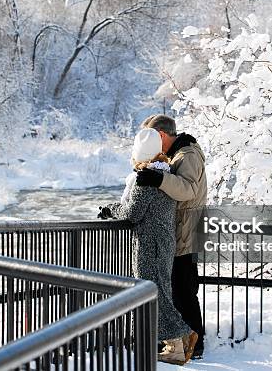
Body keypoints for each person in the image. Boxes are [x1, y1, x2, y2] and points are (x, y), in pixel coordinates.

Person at [99, 128, 198, 365]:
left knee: (153, 292)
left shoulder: (146, 178)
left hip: (148, 244)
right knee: (159, 290)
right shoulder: (165, 173)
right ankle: (177, 341)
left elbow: (132, 213)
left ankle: (180, 336)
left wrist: (111, 209)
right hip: (162, 242)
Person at [136, 114, 207, 359]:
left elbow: (187, 190)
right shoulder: (180, 153)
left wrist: (158, 179)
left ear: (162, 136)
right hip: (183, 230)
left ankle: (194, 345)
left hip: (185, 232)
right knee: (178, 289)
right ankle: (186, 343)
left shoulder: (187, 155)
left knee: (183, 291)